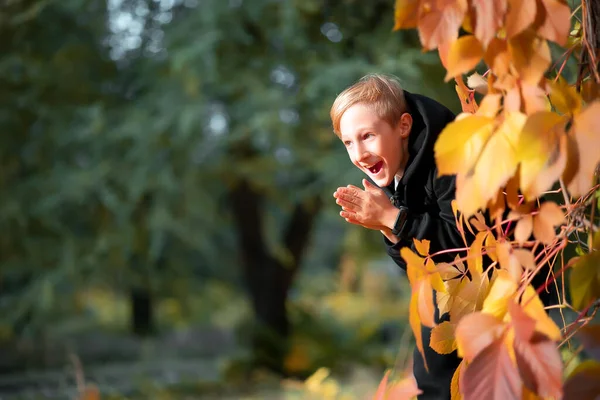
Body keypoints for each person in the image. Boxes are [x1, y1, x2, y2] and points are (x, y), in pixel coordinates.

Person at [331, 73, 464, 399]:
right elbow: (420, 268)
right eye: (348, 142)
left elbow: (463, 249)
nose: (358, 154)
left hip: (495, 297)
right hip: (446, 298)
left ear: (403, 126)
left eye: (368, 136)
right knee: (428, 379)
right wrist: (389, 229)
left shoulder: (449, 160)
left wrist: (394, 219)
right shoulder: (398, 172)